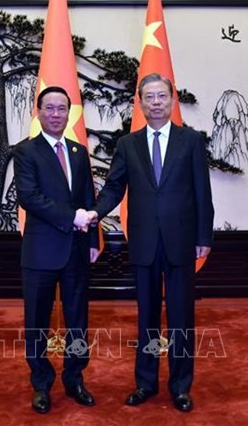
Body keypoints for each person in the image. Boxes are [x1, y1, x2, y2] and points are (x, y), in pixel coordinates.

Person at [87, 73, 214, 413]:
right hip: (143, 241)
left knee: (181, 317)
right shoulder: (128, 144)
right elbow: (114, 187)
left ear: (172, 100)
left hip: (182, 240)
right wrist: (95, 213)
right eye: (149, 98)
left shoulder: (191, 141)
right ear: (140, 103)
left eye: (162, 97)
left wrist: (204, 235)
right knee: (146, 316)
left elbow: (203, 192)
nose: (156, 103)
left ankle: (181, 386)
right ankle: (144, 383)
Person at [13, 86, 99, 414]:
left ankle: (75, 378)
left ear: (69, 113)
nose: (55, 114)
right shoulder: (26, 152)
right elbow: (29, 197)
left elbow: (88, 200)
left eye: (61, 109)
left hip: (77, 252)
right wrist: (71, 217)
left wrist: (92, 241)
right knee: (37, 322)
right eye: (49, 108)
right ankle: (41, 383)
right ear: (38, 112)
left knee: (78, 321)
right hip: (40, 252)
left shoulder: (78, 152)